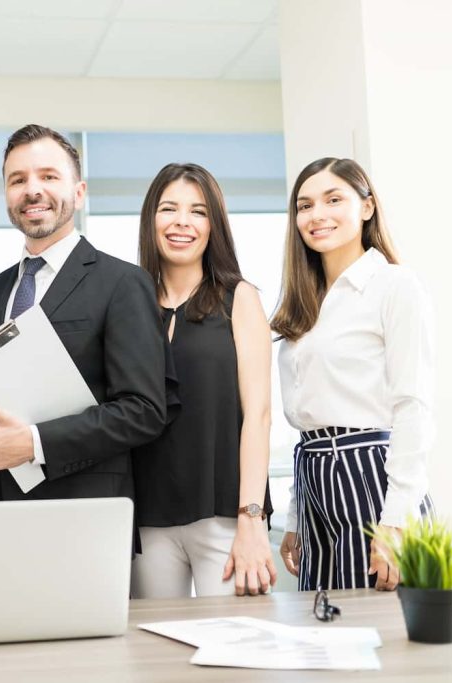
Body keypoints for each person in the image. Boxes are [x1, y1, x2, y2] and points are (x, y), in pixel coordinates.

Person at [0, 124, 166, 505]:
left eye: (48, 176)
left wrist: (34, 443)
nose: (32, 190)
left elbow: (143, 411)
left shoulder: (122, 282)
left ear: (79, 193)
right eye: (18, 180)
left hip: (85, 508)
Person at [272, 157, 435, 591]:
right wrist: (296, 514)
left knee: (387, 633)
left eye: (333, 199)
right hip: (315, 482)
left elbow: (412, 407)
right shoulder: (303, 304)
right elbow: (310, 419)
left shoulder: (394, 285)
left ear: (366, 208)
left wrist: (396, 521)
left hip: (373, 478)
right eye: (304, 206)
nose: (316, 215)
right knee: (324, 634)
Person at [131, 163, 276, 598]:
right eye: (169, 209)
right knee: (154, 658)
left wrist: (251, 520)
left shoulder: (240, 298)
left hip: (226, 517)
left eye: (198, 212)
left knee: (238, 652)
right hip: (148, 520)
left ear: (214, 224)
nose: (182, 223)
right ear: (150, 220)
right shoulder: (130, 306)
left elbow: (260, 415)